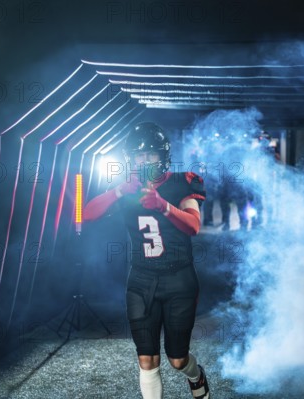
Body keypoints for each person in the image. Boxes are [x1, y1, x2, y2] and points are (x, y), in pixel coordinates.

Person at [84, 122, 210, 399]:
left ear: (162, 156)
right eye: (139, 156)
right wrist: (119, 191)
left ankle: (196, 375)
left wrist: (163, 206)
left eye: (150, 155)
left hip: (179, 279)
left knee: (177, 360)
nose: (144, 161)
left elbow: (193, 226)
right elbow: (85, 214)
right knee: (147, 361)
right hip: (141, 280)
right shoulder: (124, 187)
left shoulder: (183, 181)